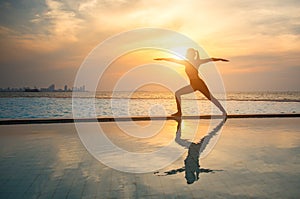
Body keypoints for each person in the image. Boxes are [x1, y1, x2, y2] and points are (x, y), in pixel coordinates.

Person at [154, 48, 228, 116]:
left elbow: (210, 59)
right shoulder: (186, 62)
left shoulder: (197, 61)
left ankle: (224, 112)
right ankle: (179, 113)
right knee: (177, 93)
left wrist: (220, 59)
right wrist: (163, 59)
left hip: (199, 83)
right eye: (188, 54)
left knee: (210, 98)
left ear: (193, 55)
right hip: (193, 85)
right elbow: (173, 60)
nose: (188, 55)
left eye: (190, 54)